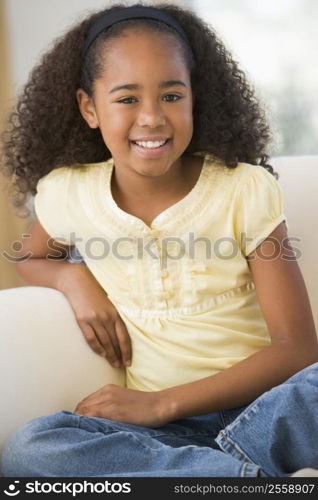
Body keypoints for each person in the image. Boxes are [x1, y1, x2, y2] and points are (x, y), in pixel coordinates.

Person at [1, 3, 318, 478]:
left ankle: (212, 474)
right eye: (127, 99)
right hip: (159, 439)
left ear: (195, 98)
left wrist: (160, 404)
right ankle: (236, 477)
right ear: (89, 107)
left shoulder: (244, 189)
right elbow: (30, 258)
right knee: (30, 449)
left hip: (267, 411)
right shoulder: (69, 191)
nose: (151, 118)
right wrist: (73, 278)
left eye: (171, 96)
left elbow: (298, 349)